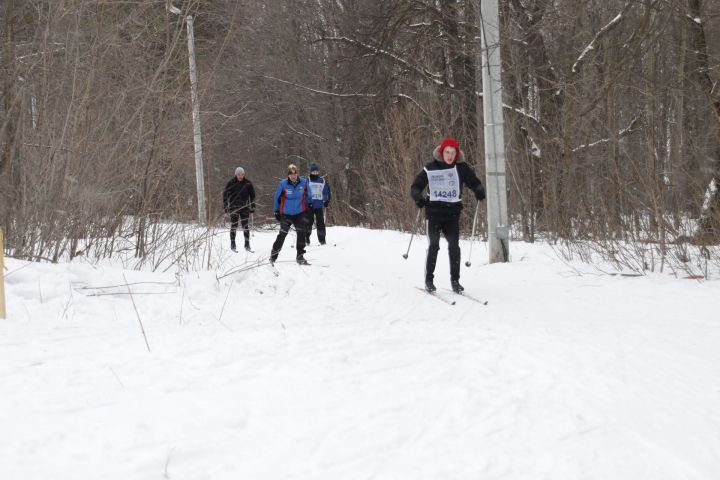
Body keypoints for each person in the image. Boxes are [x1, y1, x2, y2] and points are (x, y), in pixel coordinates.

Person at [410, 137, 486, 293]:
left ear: (457, 154)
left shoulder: (461, 168)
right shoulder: (431, 168)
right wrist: (418, 196)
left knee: (454, 246)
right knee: (434, 245)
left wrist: (479, 189)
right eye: (447, 152)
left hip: (452, 214)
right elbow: (416, 185)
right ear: (441, 152)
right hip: (434, 213)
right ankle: (429, 280)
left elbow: (473, 181)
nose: (450, 155)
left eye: (453, 153)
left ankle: (455, 281)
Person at [270, 163, 313, 265]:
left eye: (295, 173)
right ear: (288, 175)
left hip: (299, 213)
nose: (293, 176)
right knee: (282, 234)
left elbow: (309, 194)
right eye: (291, 174)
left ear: (297, 174)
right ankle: (273, 256)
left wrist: (309, 205)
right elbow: (276, 198)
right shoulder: (283, 184)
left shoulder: (304, 182)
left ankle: (300, 256)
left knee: (301, 233)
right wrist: (276, 210)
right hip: (286, 214)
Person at [223, 166, 256, 252]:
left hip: (245, 207)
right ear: (235, 174)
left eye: (242, 174)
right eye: (238, 174)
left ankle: (247, 244)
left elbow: (252, 196)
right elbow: (225, 196)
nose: (240, 176)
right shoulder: (231, 183)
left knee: (245, 226)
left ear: (244, 174)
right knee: (234, 226)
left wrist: (252, 206)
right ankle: (233, 244)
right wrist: (226, 209)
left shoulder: (248, 183)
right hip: (234, 207)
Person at [305, 163, 331, 245]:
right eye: (313, 172)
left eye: (316, 172)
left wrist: (326, 200)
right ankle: (306, 239)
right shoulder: (306, 181)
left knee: (320, 223)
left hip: (319, 205)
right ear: (310, 172)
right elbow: (303, 192)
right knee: (309, 222)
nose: (315, 173)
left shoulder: (322, 181)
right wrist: (306, 202)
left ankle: (322, 240)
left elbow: (326, 191)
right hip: (309, 205)